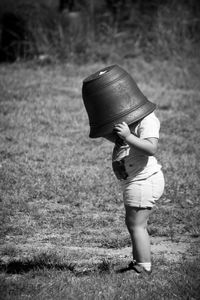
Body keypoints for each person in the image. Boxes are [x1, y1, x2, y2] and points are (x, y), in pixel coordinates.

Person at [104, 111, 165, 274]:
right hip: (135, 180)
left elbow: (151, 148)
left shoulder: (148, 120)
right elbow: (122, 141)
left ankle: (143, 268)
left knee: (136, 225)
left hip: (144, 180)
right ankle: (138, 263)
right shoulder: (130, 119)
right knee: (135, 224)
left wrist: (127, 136)